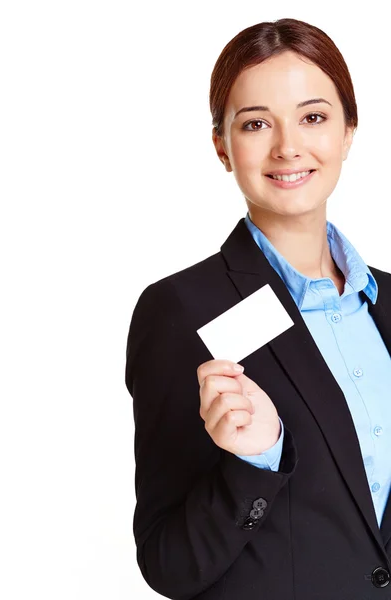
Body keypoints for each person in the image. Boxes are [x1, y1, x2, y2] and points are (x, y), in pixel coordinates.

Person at [125, 17, 391, 600]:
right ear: (222, 146)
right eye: (255, 124)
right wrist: (258, 463)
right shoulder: (180, 312)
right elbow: (170, 564)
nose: (288, 146)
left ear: (349, 131)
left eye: (314, 117)